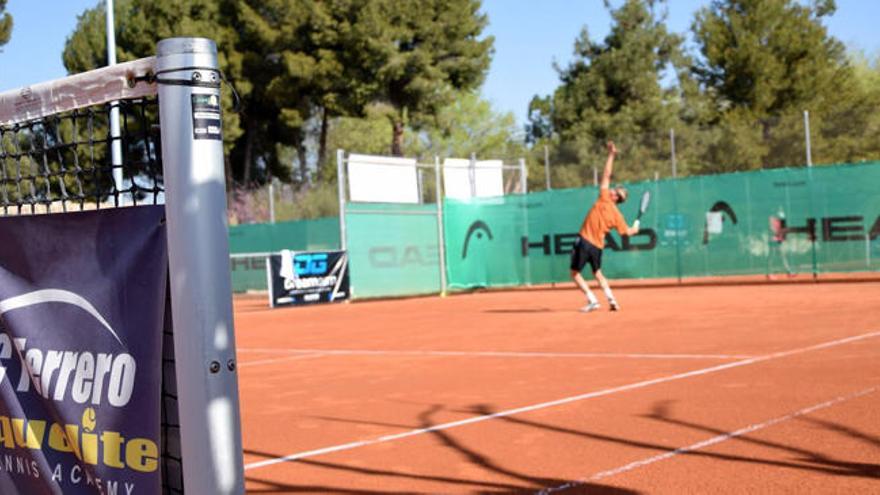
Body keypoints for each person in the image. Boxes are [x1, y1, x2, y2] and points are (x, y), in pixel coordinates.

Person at [570, 141, 640, 312]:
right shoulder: (618, 216)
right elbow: (627, 232)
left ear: (616, 198)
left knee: (574, 273)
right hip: (598, 247)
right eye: (614, 190)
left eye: (615, 192)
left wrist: (611, 154)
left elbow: (607, 174)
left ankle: (592, 300)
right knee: (598, 273)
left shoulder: (604, 198)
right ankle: (612, 300)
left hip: (585, 241)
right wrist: (635, 228)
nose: (612, 191)